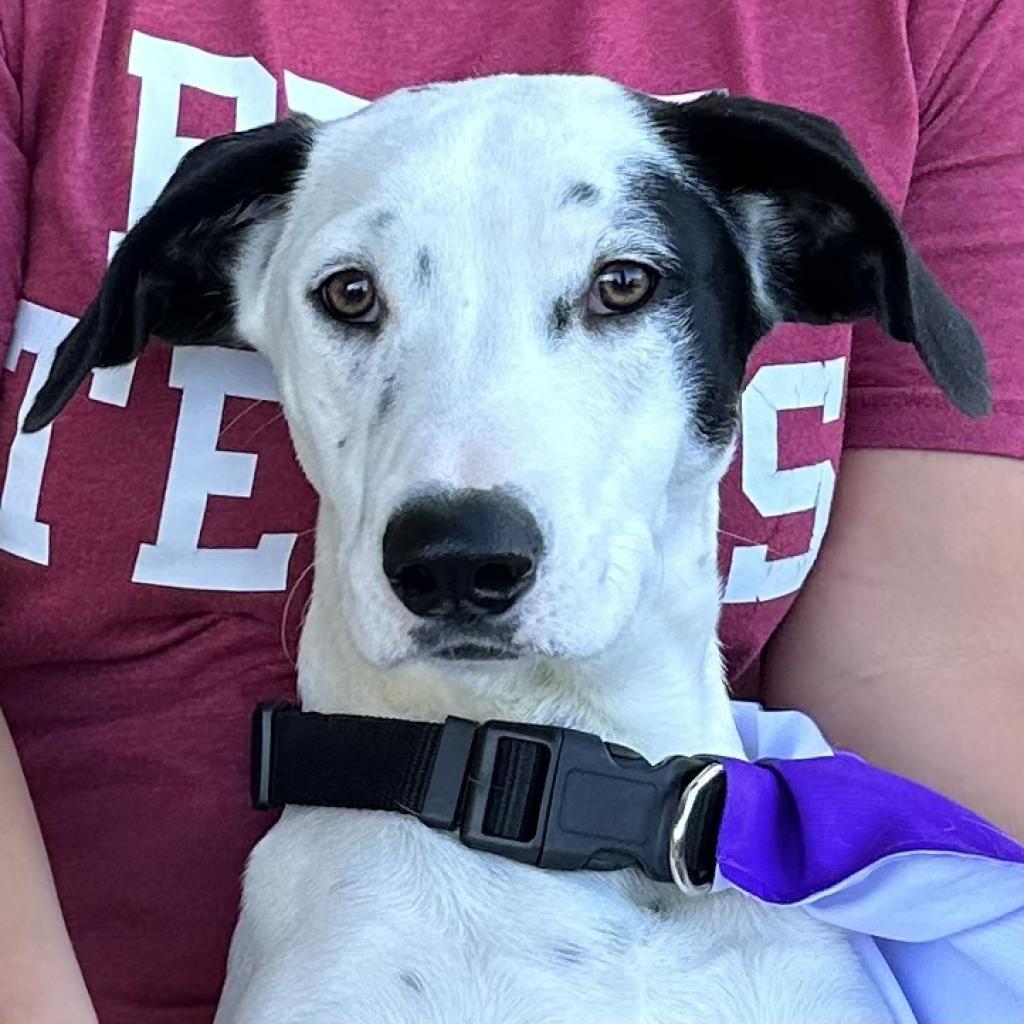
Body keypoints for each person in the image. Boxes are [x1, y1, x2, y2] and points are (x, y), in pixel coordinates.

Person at [1, 1, 1022, 1021]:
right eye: (354, 299)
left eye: (618, 289)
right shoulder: (329, 968)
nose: (463, 483)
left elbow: (926, 671)